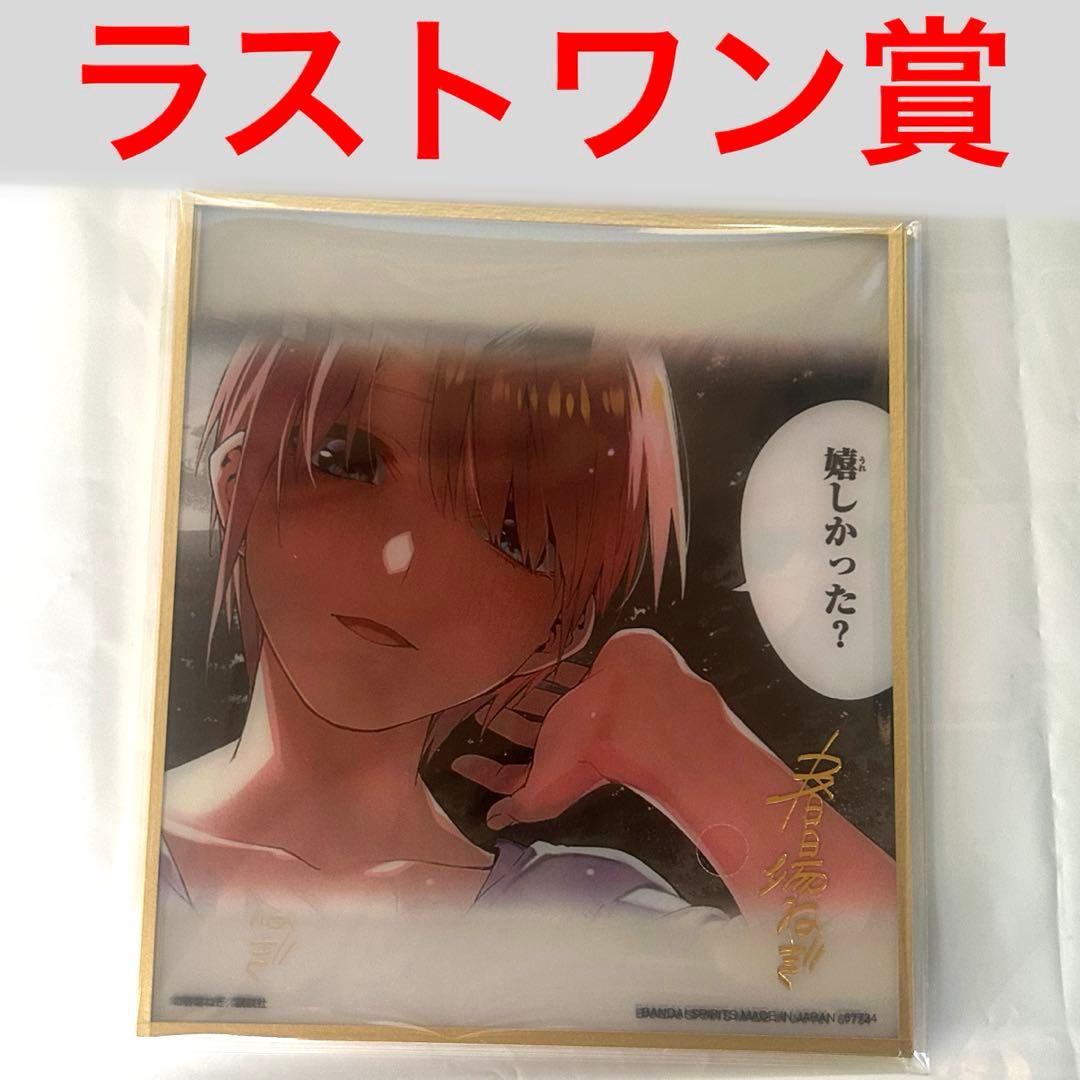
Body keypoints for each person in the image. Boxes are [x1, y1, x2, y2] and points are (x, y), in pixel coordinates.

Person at [162, 323, 895, 927]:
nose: (403, 561)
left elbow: (867, 980)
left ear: (559, 630)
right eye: (349, 462)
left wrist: (694, 747)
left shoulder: (587, 914)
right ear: (238, 483)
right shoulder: (108, 847)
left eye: (510, 537)